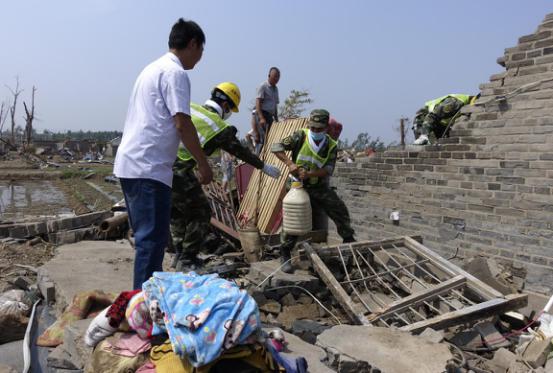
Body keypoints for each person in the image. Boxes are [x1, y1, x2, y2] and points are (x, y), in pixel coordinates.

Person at [113, 18, 212, 290]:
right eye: (201, 51)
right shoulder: (175, 73)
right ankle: (141, 309)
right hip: (148, 167)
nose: (200, 59)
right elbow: (182, 123)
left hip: (134, 164)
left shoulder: (151, 69)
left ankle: (143, 303)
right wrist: (203, 164)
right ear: (192, 44)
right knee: (152, 241)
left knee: (150, 240)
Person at [171, 82, 281, 271]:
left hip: (160, 166)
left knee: (178, 213)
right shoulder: (217, 125)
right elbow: (239, 151)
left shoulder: (191, 108)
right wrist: (263, 166)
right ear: (225, 106)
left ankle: (179, 255)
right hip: (180, 171)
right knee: (201, 212)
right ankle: (187, 259)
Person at [272, 109, 355, 273]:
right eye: (313, 128)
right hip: (298, 185)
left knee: (339, 209)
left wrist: (310, 174)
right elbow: (276, 147)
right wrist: (290, 163)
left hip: (318, 186)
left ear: (326, 128)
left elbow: (328, 169)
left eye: (319, 129)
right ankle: (285, 252)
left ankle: (349, 242)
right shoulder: (300, 136)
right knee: (294, 219)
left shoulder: (331, 145)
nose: (315, 131)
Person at [413, 94, 478, 145]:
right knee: (427, 145)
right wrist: (424, 135)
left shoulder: (467, 109)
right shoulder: (454, 104)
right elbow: (431, 116)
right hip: (424, 120)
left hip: (440, 124)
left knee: (443, 145)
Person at [252, 67, 280, 154]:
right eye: (275, 76)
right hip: (262, 114)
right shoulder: (263, 86)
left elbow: (275, 105)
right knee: (263, 139)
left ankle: (267, 157)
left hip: (270, 116)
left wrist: (276, 119)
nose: (276, 79)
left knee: (271, 137)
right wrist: (261, 118)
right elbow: (258, 103)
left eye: (278, 77)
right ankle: (259, 159)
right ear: (269, 75)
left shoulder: (275, 89)